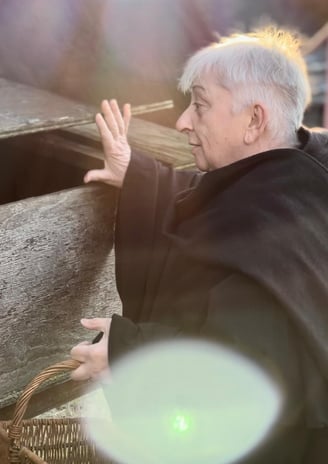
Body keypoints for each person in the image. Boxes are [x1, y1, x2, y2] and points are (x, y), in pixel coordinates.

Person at [70, 27, 328, 463]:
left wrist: (126, 350)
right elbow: (215, 197)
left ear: (254, 120)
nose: (183, 121)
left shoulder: (273, 240)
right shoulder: (299, 174)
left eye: (201, 105)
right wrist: (138, 174)